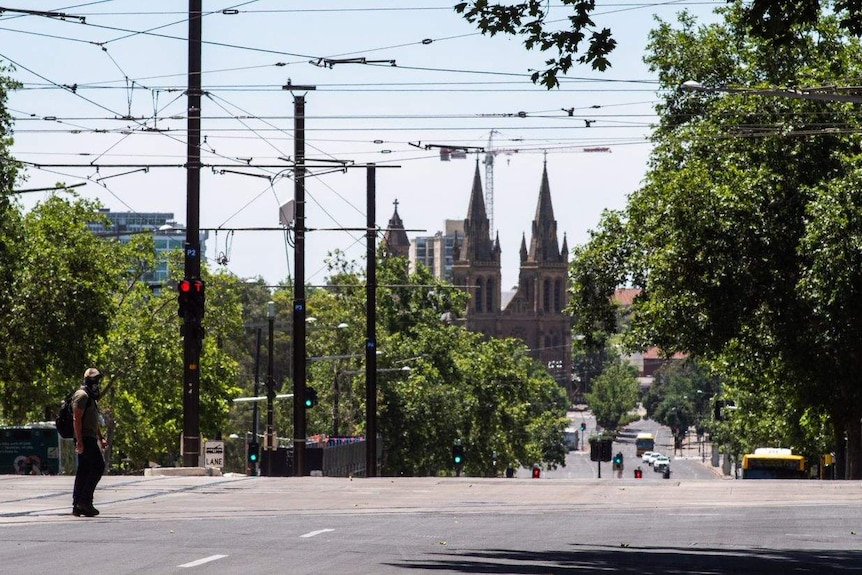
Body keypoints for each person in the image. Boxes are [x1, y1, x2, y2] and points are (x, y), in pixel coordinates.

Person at [72, 367, 107, 517]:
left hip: (90, 437)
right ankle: (85, 501)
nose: (96, 384)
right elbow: (77, 419)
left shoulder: (90, 397)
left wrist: (100, 437)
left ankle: (78, 504)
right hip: (84, 438)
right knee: (98, 466)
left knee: (84, 470)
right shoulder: (82, 395)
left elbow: (92, 420)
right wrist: (79, 441)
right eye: (94, 380)